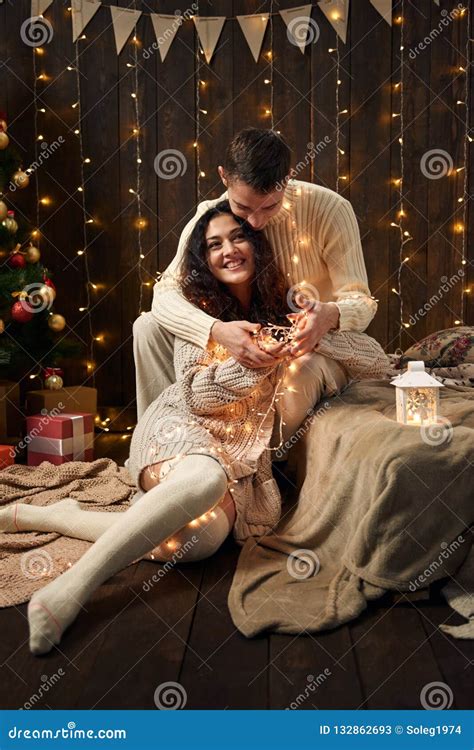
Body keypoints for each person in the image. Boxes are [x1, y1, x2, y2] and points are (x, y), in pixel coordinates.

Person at [0, 202, 389, 656]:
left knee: (198, 543)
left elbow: (376, 359)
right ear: (203, 259)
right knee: (203, 478)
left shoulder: (287, 304)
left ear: (256, 245)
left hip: (240, 453)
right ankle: (69, 590)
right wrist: (250, 364)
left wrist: (315, 332)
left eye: (237, 238)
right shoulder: (197, 311)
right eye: (214, 244)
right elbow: (196, 396)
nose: (229, 250)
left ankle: (56, 515)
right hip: (180, 427)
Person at [133, 128, 378, 445]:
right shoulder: (211, 217)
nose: (256, 222)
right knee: (147, 327)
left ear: (287, 178)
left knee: (303, 368)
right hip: (237, 343)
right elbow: (165, 293)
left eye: (269, 207)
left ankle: (261, 463)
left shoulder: (330, 210)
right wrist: (215, 331)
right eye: (244, 208)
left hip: (307, 347)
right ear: (224, 177)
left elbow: (361, 301)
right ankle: (159, 444)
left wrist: (329, 315)